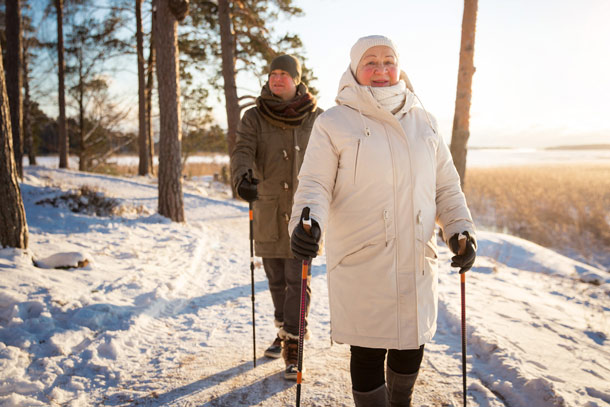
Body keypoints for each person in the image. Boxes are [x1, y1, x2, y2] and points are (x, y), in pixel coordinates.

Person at [289, 35, 477, 406]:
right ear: (355, 70)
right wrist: (306, 224)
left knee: (411, 346)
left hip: (415, 256)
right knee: (368, 350)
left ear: (399, 67)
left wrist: (460, 230)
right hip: (362, 257)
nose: (381, 69)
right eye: (370, 62)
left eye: (388, 61)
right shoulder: (334, 123)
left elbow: (447, 188)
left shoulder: (425, 122)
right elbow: (314, 185)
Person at [231, 54, 323, 380]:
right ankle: (284, 330)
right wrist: (242, 176)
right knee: (275, 278)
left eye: (284, 74)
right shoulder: (254, 117)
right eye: (273, 73)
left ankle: (294, 346)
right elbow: (243, 149)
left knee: (298, 279)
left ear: (297, 79)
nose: (277, 78)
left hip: (305, 211)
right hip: (268, 208)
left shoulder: (318, 118)